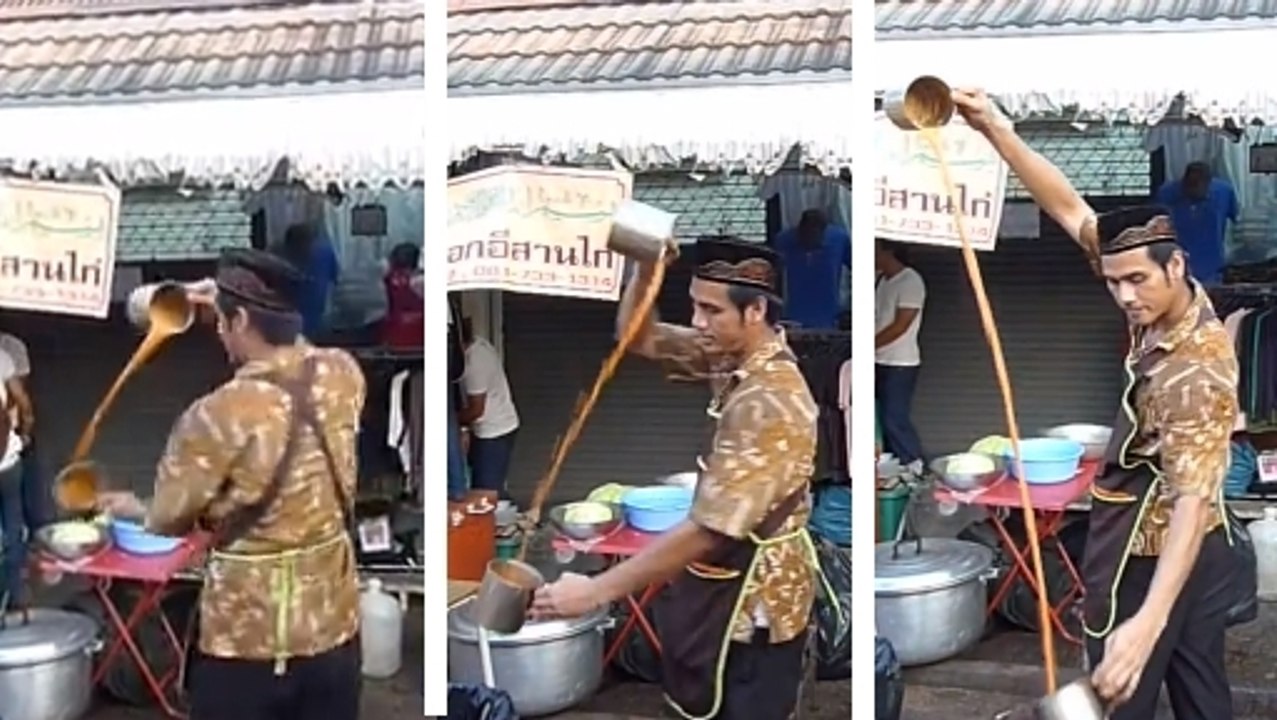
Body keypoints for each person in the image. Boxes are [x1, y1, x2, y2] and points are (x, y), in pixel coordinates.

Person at [954, 88, 1240, 719]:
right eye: (1113, 282)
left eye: (1137, 280)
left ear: (1177, 266)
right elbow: (1068, 208)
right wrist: (996, 131)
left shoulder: (1197, 367)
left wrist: (1144, 623)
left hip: (1164, 550)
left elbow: (1191, 504)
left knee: (1116, 694)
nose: (1125, 296)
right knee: (1200, 689)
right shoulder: (1155, 293)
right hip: (1171, 545)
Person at [532, 237, 824, 720]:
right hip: (719, 585)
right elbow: (637, 334)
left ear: (754, 312)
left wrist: (595, 591)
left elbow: (711, 528)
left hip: (756, 612)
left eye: (711, 311)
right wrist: (646, 270)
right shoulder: (730, 357)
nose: (697, 322)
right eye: (693, 305)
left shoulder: (770, 400)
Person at [96, 248, 365, 720]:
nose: (218, 333)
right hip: (334, 632)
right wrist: (227, 299)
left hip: (247, 645)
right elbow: (298, 351)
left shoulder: (217, 415)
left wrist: (130, 506)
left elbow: (167, 518)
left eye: (223, 323)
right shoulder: (344, 373)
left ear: (239, 321)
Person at [874, 239, 927, 476]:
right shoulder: (880, 280)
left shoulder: (910, 281)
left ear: (888, 251)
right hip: (878, 360)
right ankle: (893, 466)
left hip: (900, 363)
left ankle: (914, 464)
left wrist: (867, 345)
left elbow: (900, 325)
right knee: (879, 417)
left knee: (894, 417)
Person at [458, 317, 519, 497]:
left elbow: (476, 410)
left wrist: (450, 421)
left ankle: (507, 518)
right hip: (495, 426)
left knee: (485, 491)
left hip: (494, 432)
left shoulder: (474, 363)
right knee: (488, 483)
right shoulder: (479, 344)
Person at [1154, 162, 1239, 285]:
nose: (1195, 189)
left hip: (1211, 266)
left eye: (1199, 185)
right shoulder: (1167, 194)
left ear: (1209, 184)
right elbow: (1156, 224)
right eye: (1191, 185)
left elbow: (1235, 219)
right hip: (1174, 263)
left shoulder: (1224, 192)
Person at [773, 209, 851, 329]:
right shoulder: (783, 241)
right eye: (806, 235)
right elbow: (773, 274)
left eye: (815, 236)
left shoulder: (839, 239)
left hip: (829, 316)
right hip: (792, 316)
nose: (810, 239)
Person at [281, 222, 340, 340]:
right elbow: (335, 279)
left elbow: (334, 279)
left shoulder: (323, 253)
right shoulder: (325, 252)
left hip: (307, 318)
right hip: (308, 317)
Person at [0, 346, 24, 602]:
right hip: (7, 462)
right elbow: (23, 401)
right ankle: (15, 592)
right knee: (13, 525)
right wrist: (25, 429)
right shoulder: (2, 355)